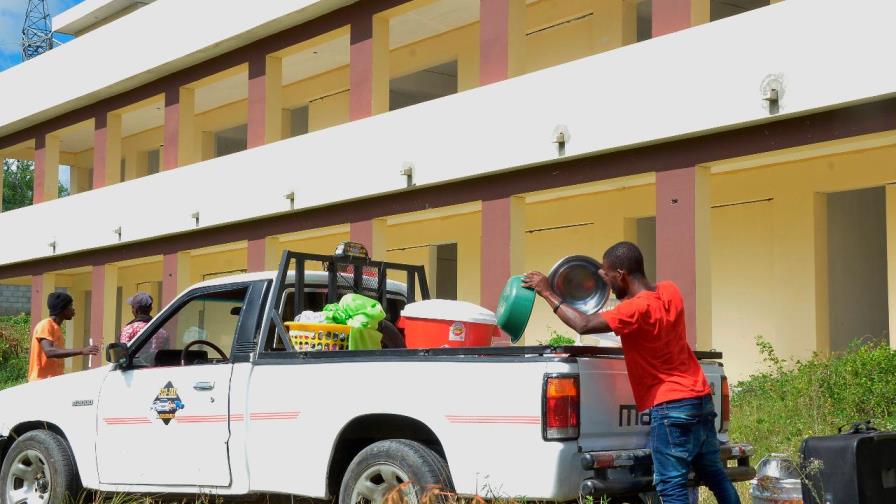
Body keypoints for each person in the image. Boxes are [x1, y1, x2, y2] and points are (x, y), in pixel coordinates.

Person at [523, 241, 739, 504]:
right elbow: (635, 302)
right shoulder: (670, 292)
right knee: (716, 475)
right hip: (700, 399)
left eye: (608, 274)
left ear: (622, 274)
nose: (605, 279)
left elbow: (583, 324)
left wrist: (548, 292)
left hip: (670, 407)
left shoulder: (635, 310)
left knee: (671, 486)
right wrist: (608, 281)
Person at [28, 292, 100, 382]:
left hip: (52, 380)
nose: (73, 309)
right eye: (70, 306)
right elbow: (49, 352)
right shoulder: (46, 325)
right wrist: (82, 350)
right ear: (62, 309)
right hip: (41, 381)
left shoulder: (56, 327)